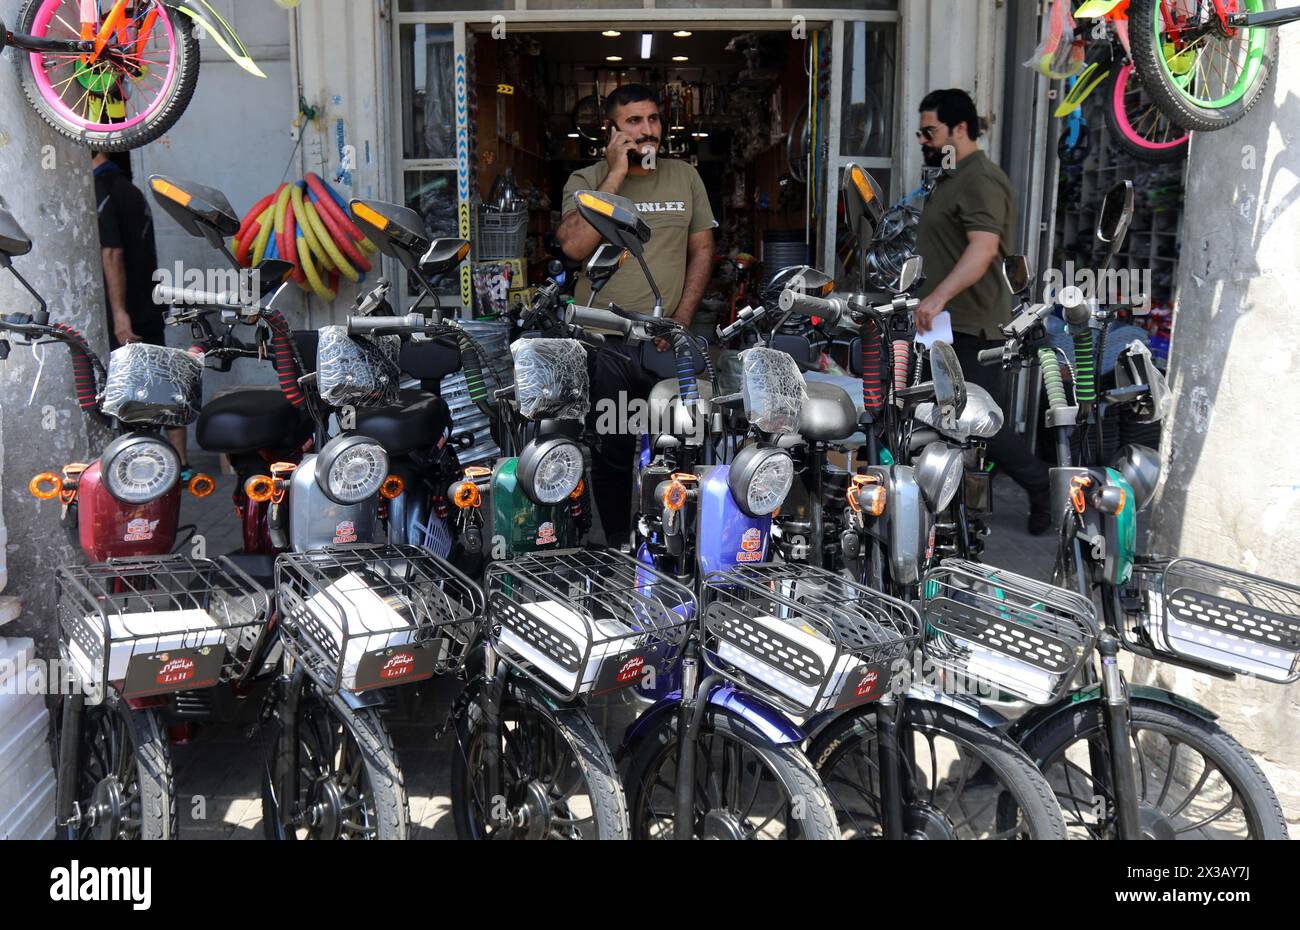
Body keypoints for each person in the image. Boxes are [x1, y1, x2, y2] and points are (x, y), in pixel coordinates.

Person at [556, 84, 716, 545]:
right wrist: (616, 174)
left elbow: (702, 249)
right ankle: (617, 548)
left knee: (681, 443)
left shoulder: (684, 176)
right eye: (633, 121)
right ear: (611, 130)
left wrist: (683, 319)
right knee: (614, 448)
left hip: (666, 338)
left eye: (652, 119)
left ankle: (672, 547)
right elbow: (573, 246)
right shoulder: (587, 182)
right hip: (606, 344)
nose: (647, 130)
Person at [910, 89, 1052, 535]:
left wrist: (937, 298)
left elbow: (984, 248)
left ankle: (1043, 487)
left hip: (976, 326)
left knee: (984, 425)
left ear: (960, 129)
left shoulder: (980, 178)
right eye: (921, 132)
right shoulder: (951, 178)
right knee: (948, 421)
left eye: (930, 131)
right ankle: (954, 510)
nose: (924, 140)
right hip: (948, 328)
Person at [94, 151, 191, 478]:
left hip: (128, 311)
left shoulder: (103, 188)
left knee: (133, 392)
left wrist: (119, 313)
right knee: (163, 379)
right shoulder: (128, 189)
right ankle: (180, 463)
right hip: (146, 304)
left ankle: (140, 468)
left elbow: (111, 252)